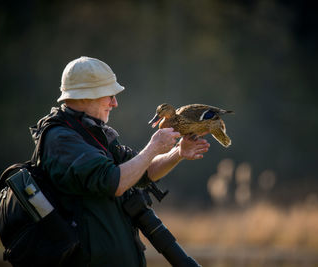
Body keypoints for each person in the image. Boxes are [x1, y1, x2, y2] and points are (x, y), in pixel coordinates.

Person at [30, 56, 210, 267]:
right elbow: (114, 182)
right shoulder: (62, 139)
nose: (115, 103)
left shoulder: (94, 133)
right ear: (87, 96)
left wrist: (178, 152)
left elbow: (143, 171)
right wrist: (153, 147)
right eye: (110, 96)